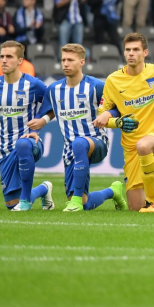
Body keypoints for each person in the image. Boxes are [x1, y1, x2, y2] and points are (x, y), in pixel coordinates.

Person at [25, 44, 126, 213]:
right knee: (86, 204)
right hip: (70, 149)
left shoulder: (96, 86)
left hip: (97, 142)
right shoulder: (54, 90)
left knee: (80, 143)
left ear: (81, 62)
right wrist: (40, 125)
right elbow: (48, 112)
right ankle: (113, 192)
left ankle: (76, 202)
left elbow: (118, 107)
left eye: (70, 60)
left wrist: (107, 114)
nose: (65, 63)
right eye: (63, 59)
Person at [92, 32, 154, 213]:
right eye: (128, 50)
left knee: (144, 145)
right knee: (135, 208)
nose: (131, 53)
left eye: (135, 50)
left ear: (145, 52)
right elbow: (103, 117)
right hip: (130, 145)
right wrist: (117, 123)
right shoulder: (113, 80)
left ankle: (151, 203)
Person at [0, 41, 52, 211]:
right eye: (1, 57)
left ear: (20, 61)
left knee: (23, 144)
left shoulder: (34, 85)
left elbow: (53, 106)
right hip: (5, 148)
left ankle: (26, 203)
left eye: (9, 57)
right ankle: (44, 189)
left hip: (30, 143)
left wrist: (41, 123)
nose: (4, 61)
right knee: (11, 205)